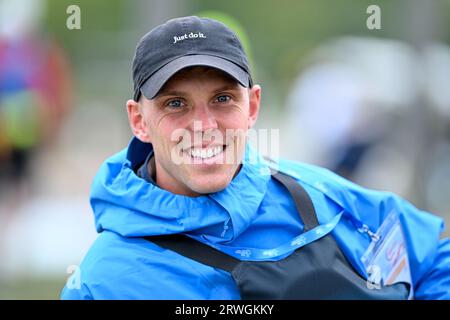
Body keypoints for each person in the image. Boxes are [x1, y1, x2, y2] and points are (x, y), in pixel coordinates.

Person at [61, 16, 450, 300]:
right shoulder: (104, 281)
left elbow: (433, 263)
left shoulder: (321, 196)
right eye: (175, 103)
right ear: (138, 120)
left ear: (252, 107)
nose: (203, 124)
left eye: (223, 99)